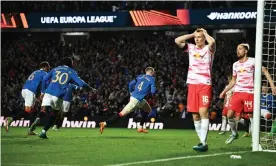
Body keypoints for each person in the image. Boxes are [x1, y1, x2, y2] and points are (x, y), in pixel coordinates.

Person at [219, 43, 276, 144]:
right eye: (237, 49)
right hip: (237, 92)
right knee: (229, 115)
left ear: (246, 51)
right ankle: (234, 133)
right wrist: (224, 91)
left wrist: (272, 86)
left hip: (250, 92)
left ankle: (255, 142)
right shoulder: (235, 64)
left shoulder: (253, 61)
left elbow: (265, 71)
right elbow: (233, 81)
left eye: (240, 49)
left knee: (252, 116)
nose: (238, 51)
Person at [33, 57, 96, 139]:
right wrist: (91, 88)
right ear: (70, 63)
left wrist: (42, 92)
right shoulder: (71, 71)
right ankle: (43, 132)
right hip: (58, 95)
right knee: (54, 114)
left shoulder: (56, 69)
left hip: (48, 93)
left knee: (43, 110)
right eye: (72, 63)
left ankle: (37, 120)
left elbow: (44, 79)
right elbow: (81, 83)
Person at [175, 28, 216, 152]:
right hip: (192, 84)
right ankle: (202, 142)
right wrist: (193, 34)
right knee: (195, 115)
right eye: (196, 37)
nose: (197, 39)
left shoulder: (209, 49)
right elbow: (177, 40)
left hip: (204, 84)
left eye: (200, 37)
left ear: (204, 38)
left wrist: (206, 33)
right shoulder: (191, 47)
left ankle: (203, 143)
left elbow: (213, 42)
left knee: (203, 112)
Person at [99, 67, 156, 134]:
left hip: (136, 98)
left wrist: (131, 92)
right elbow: (153, 91)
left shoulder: (139, 76)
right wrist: (152, 89)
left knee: (148, 109)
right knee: (121, 114)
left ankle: (140, 128)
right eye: (154, 72)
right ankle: (104, 123)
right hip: (136, 101)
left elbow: (130, 84)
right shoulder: (152, 79)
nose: (154, 73)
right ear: (152, 72)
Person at [5, 61, 50, 135]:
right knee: (27, 111)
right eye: (48, 68)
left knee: (33, 110)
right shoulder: (44, 73)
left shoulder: (35, 72)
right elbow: (44, 84)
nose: (48, 70)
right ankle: (11, 119)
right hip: (30, 91)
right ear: (45, 67)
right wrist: (42, 94)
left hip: (24, 90)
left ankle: (30, 130)